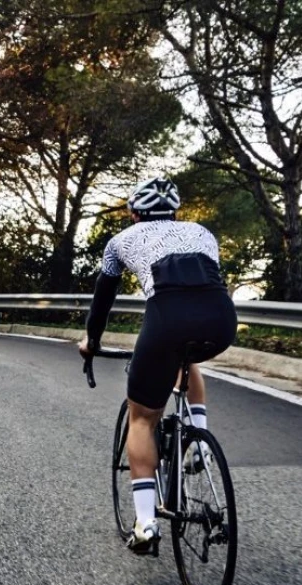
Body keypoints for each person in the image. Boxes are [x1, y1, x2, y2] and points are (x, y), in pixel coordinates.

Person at [78, 177, 237, 554]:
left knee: (143, 418)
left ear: (134, 213)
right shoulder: (201, 232)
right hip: (221, 320)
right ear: (175, 211)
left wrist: (91, 342)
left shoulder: (120, 242)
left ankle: (146, 523)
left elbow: (102, 300)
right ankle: (199, 441)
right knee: (188, 357)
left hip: (166, 320)